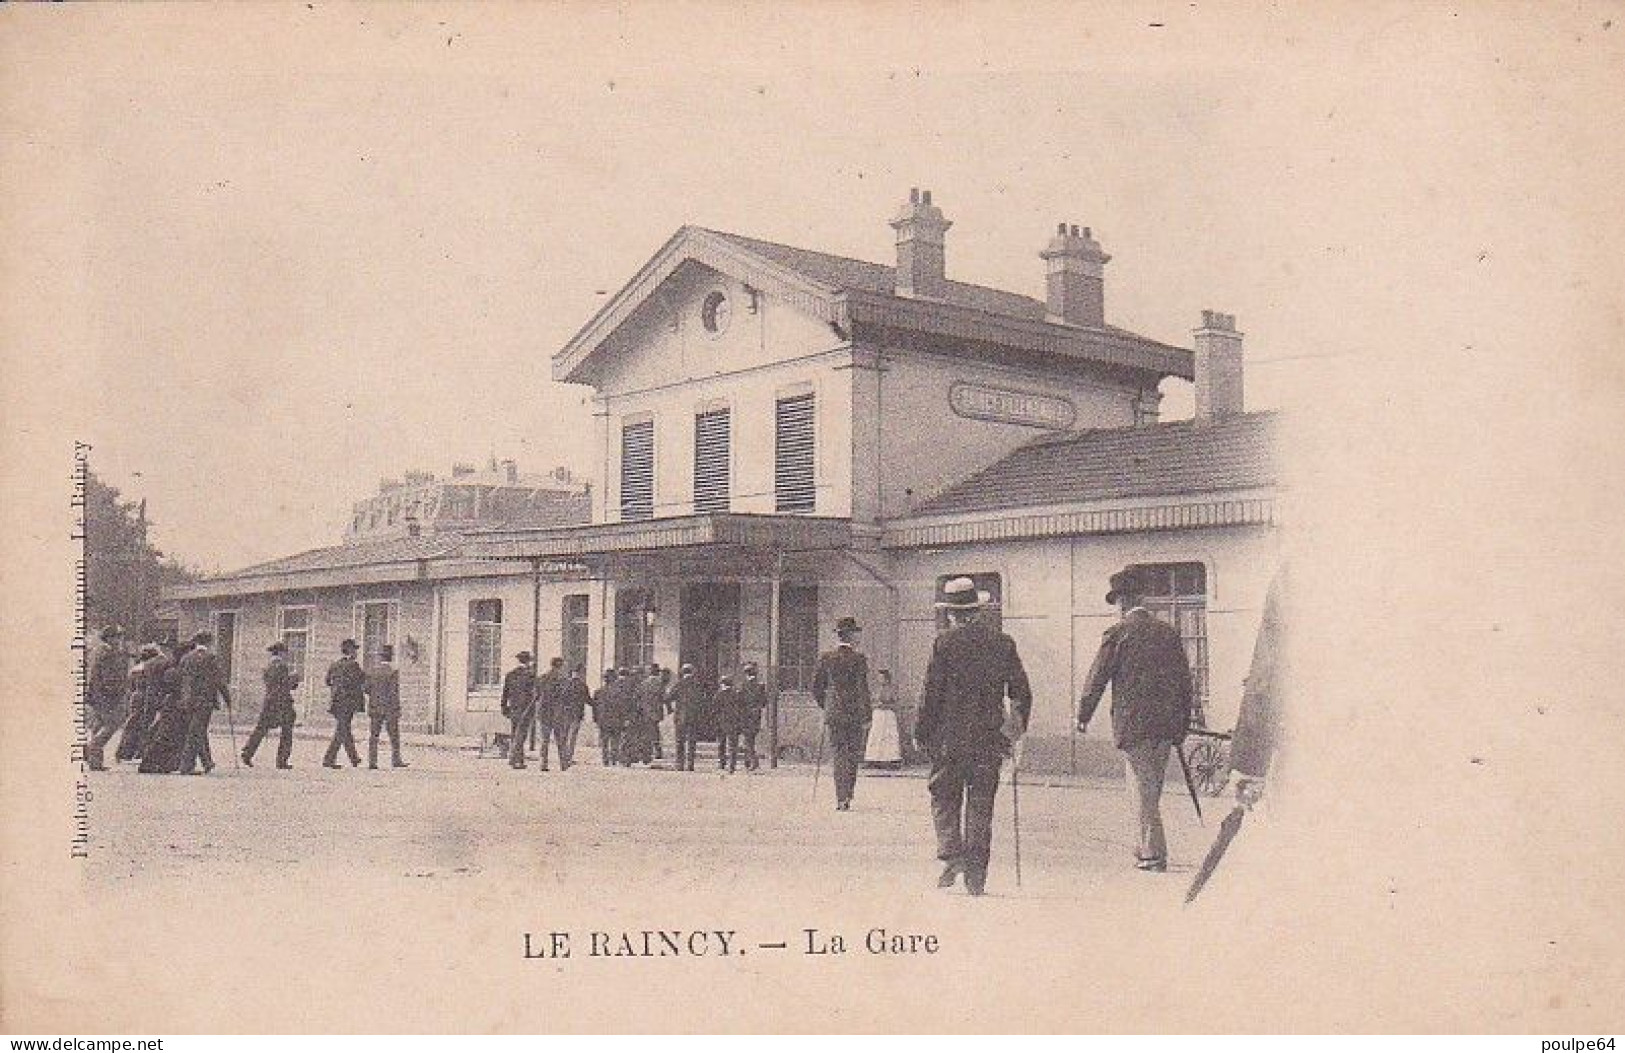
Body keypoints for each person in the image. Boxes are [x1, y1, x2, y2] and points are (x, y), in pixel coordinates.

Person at [916, 578, 1033, 895]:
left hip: (949, 740)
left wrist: (921, 732)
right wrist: (1017, 724)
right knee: (981, 804)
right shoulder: (1002, 643)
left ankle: (952, 854)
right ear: (977, 611)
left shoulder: (943, 644)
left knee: (943, 795)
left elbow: (931, 693)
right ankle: (976, 877)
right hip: (987, 738)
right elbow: (1021, 691)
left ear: (951, 613)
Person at [1076, 569, 1196, 873]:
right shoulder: (1167, 633)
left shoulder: (1117, 634)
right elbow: (1185, 681)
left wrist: (1083, 715)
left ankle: (1153, 854)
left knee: (1142, 790)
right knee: (1150, 787)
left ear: (1122, 601)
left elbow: (1096, 679)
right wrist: (1182, 723)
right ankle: (1145, 844)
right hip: (1166, 727)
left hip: (1134, 725)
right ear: (1142, 597)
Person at [812, 616, 873, 811]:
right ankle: (848, 794)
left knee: (838, 754)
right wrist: (867, 715)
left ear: (838, 636)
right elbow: (863, 689)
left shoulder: (826, 658)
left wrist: (826, 705)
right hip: (854, 713)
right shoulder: (859, 659)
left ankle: (840, 797)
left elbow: (816, 687)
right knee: (852, 754)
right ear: (851, 636)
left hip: (834, 713)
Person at [176, 631, 231, 776]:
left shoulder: (186, 658)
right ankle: (186, 766)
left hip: (187, 701)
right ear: (209, 643)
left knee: (197, 731)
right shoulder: (211, 658)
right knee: (196, 732)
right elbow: (219, 680)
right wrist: (227, 699)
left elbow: (180, 679)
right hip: (204, 701)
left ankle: (207, 762)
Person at [242, 641, 300, 769]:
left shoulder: (268, 666)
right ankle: (282, 760)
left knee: (261, 729)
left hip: (269, 701)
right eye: (285, 652)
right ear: (280, 653)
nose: (286, 655)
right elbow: (285, 685)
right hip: (282, 702)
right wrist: (295, 678)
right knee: (287, 731)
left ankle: (247, 753)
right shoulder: (282, 666)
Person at [85, 625, 129, 771]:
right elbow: (109, 676)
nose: (120, 640)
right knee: (112, 724)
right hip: (106, 694)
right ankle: (92, 749)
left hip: (97, 694)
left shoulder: (97, 651)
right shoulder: (107, 652)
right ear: (110, 638)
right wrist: (115, 691)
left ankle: (95, 760)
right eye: (118, 637)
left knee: (98, 726)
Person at [137, 641, 185, 774]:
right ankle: (149, 763)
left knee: (164, 733)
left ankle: (162, 763)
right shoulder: (171, 669)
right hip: (171, 704)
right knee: (165, 735)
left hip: (163, 702)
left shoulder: (163, 666)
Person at [322, 638, 367, 769]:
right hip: (348, 703)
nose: (356, 653)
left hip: (336, 703)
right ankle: (329, 759)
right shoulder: (353, 665)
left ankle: (354, 758)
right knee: (342, 730)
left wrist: (336, 688)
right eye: (355, 650)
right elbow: (361, 679)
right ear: (350, 651)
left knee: (344, 729)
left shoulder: (334, 665)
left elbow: (327, 681)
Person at [115, 643, 163, 762]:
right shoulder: (149, 667)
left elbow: (130, 686)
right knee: (144, 724)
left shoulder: (135, 669)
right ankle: (138, 751)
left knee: (133, 724)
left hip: (135, 697)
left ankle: (125, 751)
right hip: (145, 697)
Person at [365, 644, 407, 770]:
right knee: (394, 736)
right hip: (389, 709)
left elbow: (366, 688)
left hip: (375, 707)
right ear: (390, 657)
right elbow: (394, 692)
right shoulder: (393, 672)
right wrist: (397, 708)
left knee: (374, 736)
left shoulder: (372, 671)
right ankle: (396, 760)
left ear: (380, 657)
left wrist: (374, 696)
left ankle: (372, 762)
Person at [501, 651, 539, 770]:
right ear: (528, 661)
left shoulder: (510, 674)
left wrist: (504, 707)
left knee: (515, 733)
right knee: (521, 735)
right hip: (526, 709)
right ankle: (515, 760)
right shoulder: (530, 676)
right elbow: (534, 694)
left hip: (513, 708)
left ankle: (516, 759)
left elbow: (505, 693)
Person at [535, 657, 573, 771]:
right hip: (557, 713)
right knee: (560, 739)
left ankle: (543, 764)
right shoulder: (563, 681)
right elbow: (567, 698)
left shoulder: (542, 678)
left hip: (544, 713)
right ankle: (563, 763)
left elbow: (536, 695)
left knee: (544, 740)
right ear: (560, 666)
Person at [668, 664, 708, 772]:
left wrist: (670, 709)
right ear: (693, 673)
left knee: (679, 741)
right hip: (693, 717)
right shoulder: (697, 685)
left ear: (682, 672)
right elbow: (702, 702)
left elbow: (668, 698)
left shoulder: (679, 684)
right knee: (692, 742)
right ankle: (690, 764)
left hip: (680, 717)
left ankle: (679, 764)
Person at [865, 668, 904, 767]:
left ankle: (891, 759)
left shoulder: (892, 689)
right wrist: (875, 705)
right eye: (879, 678)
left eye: (882, 678)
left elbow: (896, 704)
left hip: (888, 715)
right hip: (878, 715)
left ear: (887, 679)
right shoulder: (875, 689)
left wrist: (886, 706)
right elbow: (871, 702)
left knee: (889, 736)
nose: (880, 680)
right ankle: (873, 759)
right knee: (876, 735)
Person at [736, 662, 768, 771]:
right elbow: (764, 702)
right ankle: (748, 762)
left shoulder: (743, 686)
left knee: (747, 740)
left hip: (745, 716)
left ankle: (753, 762)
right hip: (756, 716)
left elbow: (739, 701)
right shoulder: (760, 686)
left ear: (746, 674)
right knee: (751, 739)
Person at [558, 666, 592, 765]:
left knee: (565, 735)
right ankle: (568, 757)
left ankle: (564, 756)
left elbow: (560, 699)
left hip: (566, 714)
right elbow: (588, 700)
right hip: (576, 714)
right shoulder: (582, 686)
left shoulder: (565, 684)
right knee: (572, 736)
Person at [590, 667, 621, 765]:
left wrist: (595, 719)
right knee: (615, 740)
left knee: (604, 740)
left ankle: (605, 759)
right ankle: (614, 759)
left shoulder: (598, 692)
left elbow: (594, 707)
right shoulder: (618, 692)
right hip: (615, 719)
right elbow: (622, 707)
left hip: (602, 720)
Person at [714, 674, 742, 772]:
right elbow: (740, 709)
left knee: (721, 744)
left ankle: (722, 763)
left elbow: (715, 710)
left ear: (722, 684)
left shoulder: (719, 695)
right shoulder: (736, 694)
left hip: (721, 723)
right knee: (732, 745)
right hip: (733, 723)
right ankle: (732, 765)